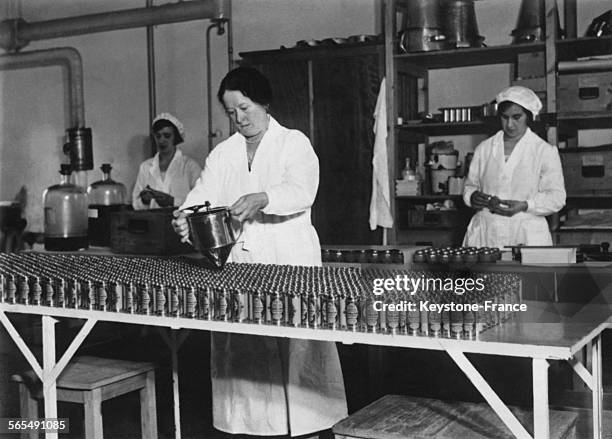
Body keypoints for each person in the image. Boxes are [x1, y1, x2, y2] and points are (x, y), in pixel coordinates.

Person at [172, 67, 347, 437]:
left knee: (299, 348)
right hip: (241, 267)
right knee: (247, 354)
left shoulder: (293, 143)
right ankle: (254, 430)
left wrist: (264, 198)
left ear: (265, 103)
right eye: (231, 112)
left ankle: (310, 428)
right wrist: (186, 218)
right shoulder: (223, 154)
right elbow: (202, 196)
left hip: (289, 262)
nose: (239, 119)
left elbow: (302, 190)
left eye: (245, 108)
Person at [463, 86, 566, 248]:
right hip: (486, 233)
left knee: (525, 273)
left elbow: (557, 197)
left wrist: (526, 205)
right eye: (505, 117)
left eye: (516, 117)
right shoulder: (484, 149)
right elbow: (470, 187)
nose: (510, 124)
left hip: (526, 233)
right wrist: (472, 197)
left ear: (528, 116)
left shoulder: (544, 151)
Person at [132, 113, 202, 210]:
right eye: (158, 136)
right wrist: (145, 200)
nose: (162, 140)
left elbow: (201, 200)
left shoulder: (190, 166)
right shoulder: (145, 166)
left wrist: (173, 201)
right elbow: (136, 204)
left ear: (175, 137)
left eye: (167, 136)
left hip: (182, 222)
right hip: (153, 222)